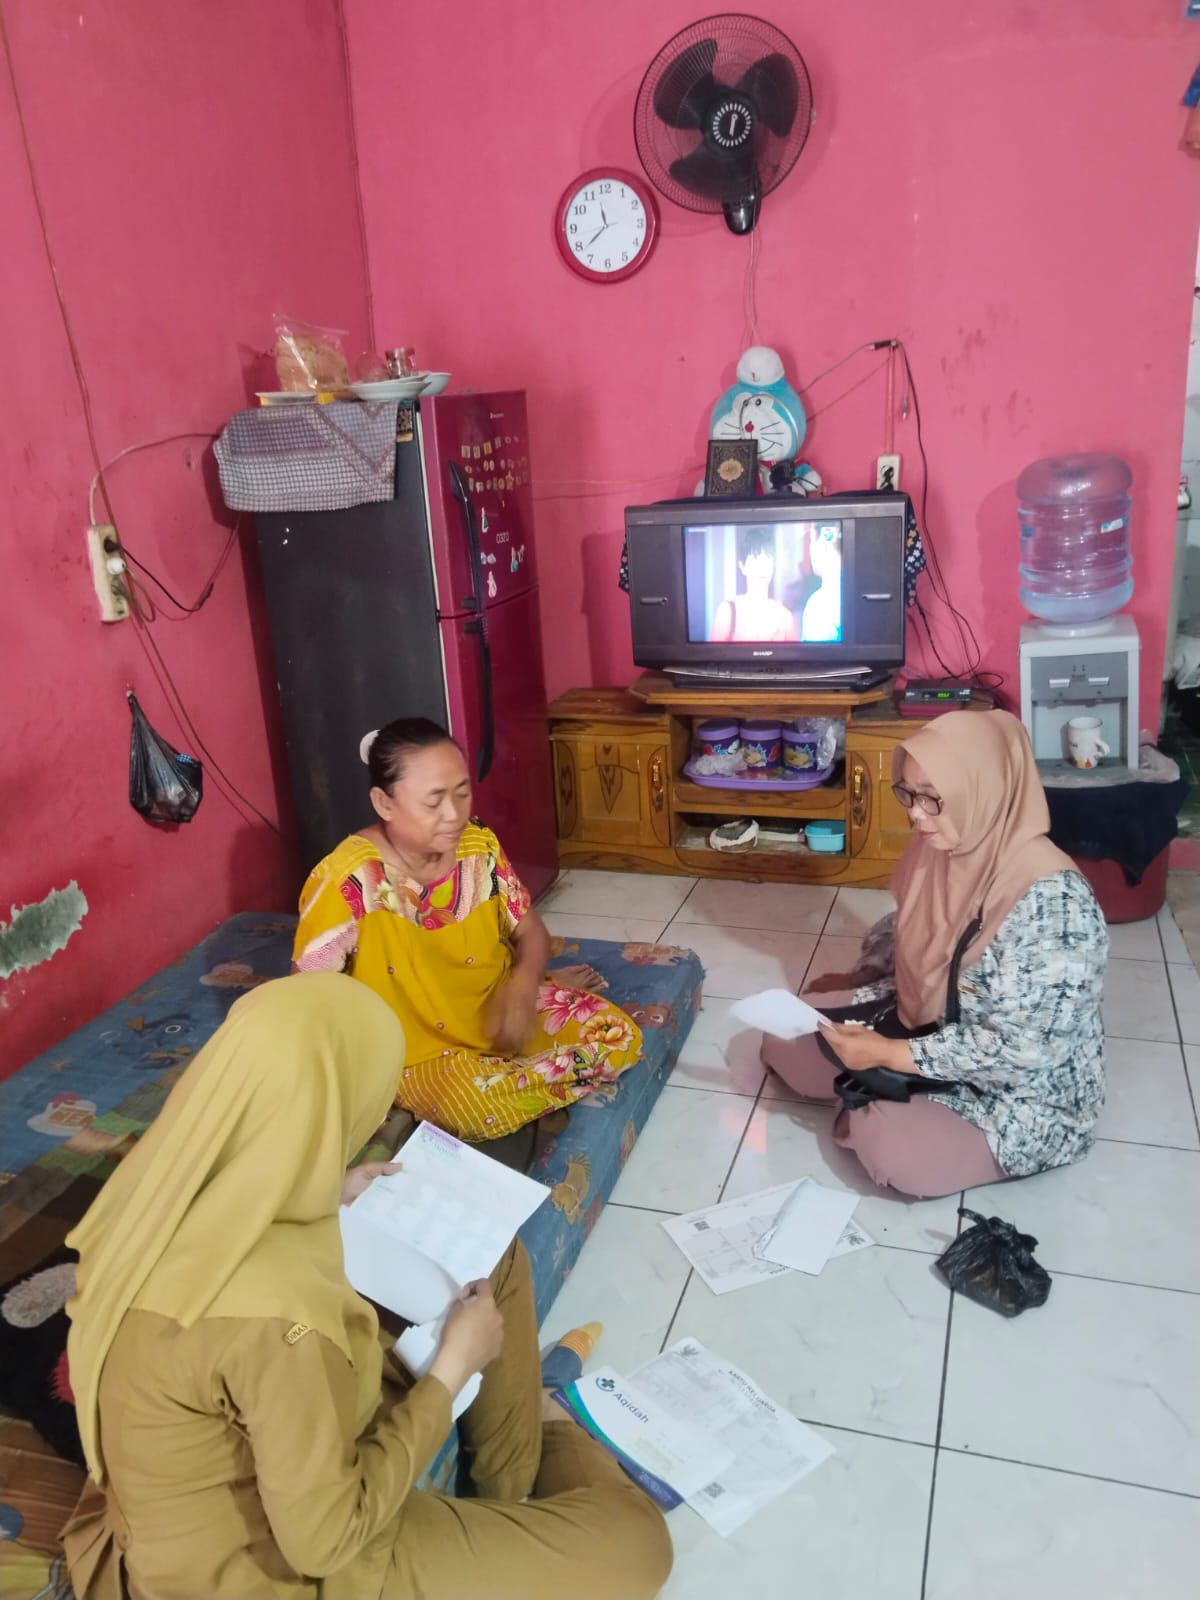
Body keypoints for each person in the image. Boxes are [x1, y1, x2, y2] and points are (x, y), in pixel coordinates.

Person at [61, 974, 672, 1600]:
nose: (378, 1115)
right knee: (638, 1544)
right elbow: (325, 1541)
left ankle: (506, 1492)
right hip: (277, 1572)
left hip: (223, 1473)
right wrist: (451, 1373)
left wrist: (323, 1190)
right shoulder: (276, 1319)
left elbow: (225, 1266)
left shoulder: (149, 1194)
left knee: (491, 1257)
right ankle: (551, 1425)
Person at [762, 710, 1108, 1197]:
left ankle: (886, 1100)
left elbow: (1025, 1050)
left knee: (893, 1150)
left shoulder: (1054, 905)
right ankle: (881, 1090)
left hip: (1016, 1090)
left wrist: (889, 1053)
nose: (915, 814)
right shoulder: (943, 843)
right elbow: (907, 932)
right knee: (783, 1038)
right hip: (923, 1021)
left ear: (984, 791)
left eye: (932, 797)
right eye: (907, 792)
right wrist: (867, 994)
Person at [293, 719, 642, 1142]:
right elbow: (308, 999)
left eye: (462, 793)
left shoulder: (478, 845)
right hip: (416, 1051)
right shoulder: (347, 880)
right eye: (434, 801)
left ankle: (512, 1061)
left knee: (621, 1039)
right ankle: (500, 1077)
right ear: (384, 803)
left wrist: (523, 983)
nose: (454, 814)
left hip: (496, 1005)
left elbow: (531, 932)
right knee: (475, 1108)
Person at [709, 527, 799, 643]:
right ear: (742, 566)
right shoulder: (727, 612)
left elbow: (795, 654)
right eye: (755, 560)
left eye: (768, 559)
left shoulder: (785, 617)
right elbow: (713, 654)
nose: (762, 568)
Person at [799, 524, 842, 644]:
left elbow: (816, 655)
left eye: (812, 539)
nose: (810, 548)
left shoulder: (819, 606)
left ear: (824, 540)